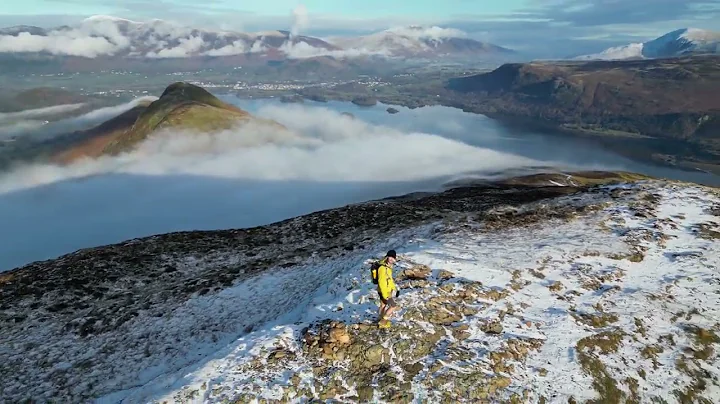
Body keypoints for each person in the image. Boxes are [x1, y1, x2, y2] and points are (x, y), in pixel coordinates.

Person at [377, 249, 400, 328]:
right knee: (393, 306)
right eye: (390, 257)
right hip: (385, 291)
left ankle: (379, 319)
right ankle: (383, 321)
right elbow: (381, 282)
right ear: (387, 257)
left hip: (385, 291)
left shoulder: (388, 267)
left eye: (393, 258)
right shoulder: (383, 268)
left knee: (383, 305)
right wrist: (385, 294)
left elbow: (390, 280)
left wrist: (395, 289)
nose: (391, 259)